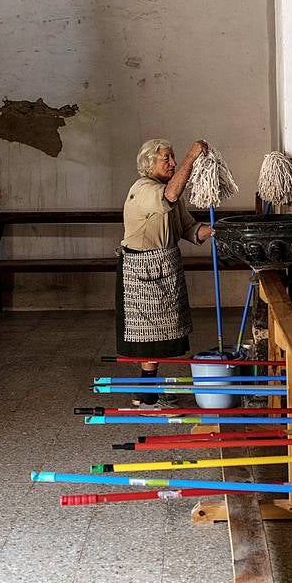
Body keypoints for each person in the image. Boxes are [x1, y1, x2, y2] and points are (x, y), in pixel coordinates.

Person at [116, 139, 214, 407]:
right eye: (167, 159)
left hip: (165, 268)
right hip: (143, 272)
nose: (172, 163)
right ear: (150, 164)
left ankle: (148, 390)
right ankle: (146, 397)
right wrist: (191, 157)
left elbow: (189, 229)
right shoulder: (144, 189)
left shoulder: (165, 190)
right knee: (149, 339)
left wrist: (217, 230)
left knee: (161, 336)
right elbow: (169, 197)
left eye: (173, 158)